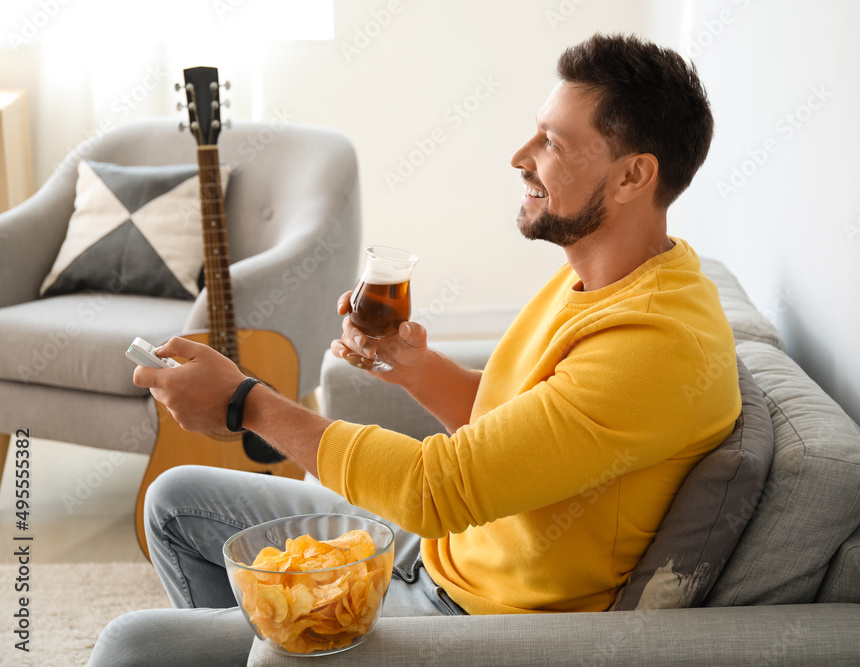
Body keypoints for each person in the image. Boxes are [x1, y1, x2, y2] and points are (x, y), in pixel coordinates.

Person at [89, 32, 740, 665]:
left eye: (552, 143)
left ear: (633, 176)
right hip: (439, 548)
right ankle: (265, 637)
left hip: (473, 613)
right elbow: (506, 424)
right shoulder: (603, 274)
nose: (521, 155)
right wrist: (415, 368)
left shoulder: (657, 345)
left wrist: (244, 403)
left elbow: (438, 488)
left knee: (131, 645)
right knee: (174, 500)